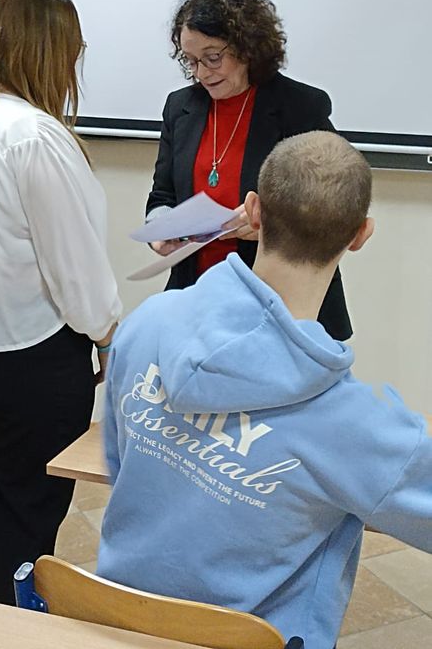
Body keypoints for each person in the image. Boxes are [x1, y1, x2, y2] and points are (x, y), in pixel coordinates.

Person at [99, 131, 432, 649]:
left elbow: (119, 463)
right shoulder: (363, 427)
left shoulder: (149, 322)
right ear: (360, 235)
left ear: (252, 212)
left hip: (117, 622)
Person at [0, 0, 122, 605]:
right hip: (30, 358)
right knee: (27, 514)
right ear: (49, 51)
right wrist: (107, 336)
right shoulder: (35, 136)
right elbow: (76, 268)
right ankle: (8, 627)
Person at [147, 0, 350, 339]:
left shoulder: (300, 107)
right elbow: (162, 195)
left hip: (285, 305)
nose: (201, 73)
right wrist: (161, 229)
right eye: (191, 61)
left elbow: (335, 203)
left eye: (213, 57)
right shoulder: (180, 107)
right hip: (199, 299)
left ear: (247, 47)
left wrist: (270, 228)